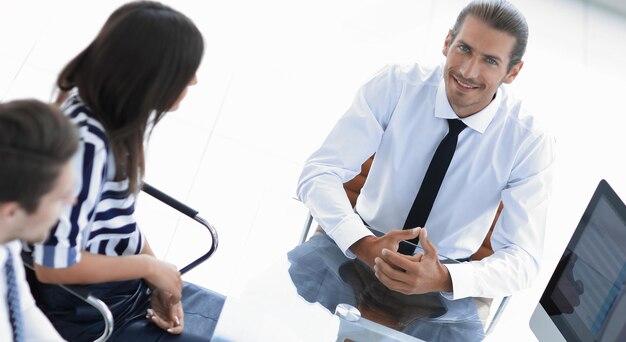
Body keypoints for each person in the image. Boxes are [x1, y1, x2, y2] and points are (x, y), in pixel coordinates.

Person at [297, 0, 555, 300]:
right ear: (447, 42)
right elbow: (318, 173)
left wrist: (447, 278)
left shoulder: (529, 140)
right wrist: (362, 242)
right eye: (465, 49)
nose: (468, 71)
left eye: (490, 61)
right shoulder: (397, 84)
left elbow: (524, 259)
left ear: (513, 72)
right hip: (360, 243)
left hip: (448, 280)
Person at [29, 2, 224, 341]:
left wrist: (156, 273)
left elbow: (118, 217)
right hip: (96, 314)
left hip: (125, 288)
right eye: (185, 70)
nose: (193, 80)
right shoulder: (85, 146)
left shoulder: (113, 117)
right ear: (149, 75)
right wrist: (149, 268)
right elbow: (52, 264)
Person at [0, 99, 79, 342]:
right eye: (59, 198)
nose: (71, 202)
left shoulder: (8, 236)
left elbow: (23, 309)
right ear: (11, 211)